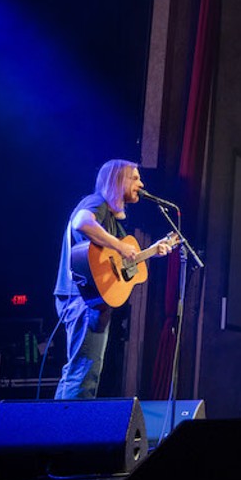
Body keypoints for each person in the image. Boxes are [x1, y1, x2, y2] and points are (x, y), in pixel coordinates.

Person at [52, 159, 172, 400]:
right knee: (82, 374)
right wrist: (119, 245)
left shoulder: (114, 223)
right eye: (135, 178)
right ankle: (64, 435)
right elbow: (81, 222)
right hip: (83, 299)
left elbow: (120, 266)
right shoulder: (97, 202)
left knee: (85, 373)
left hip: (93, 300)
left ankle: (64, 431)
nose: (141, 183)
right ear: (119, 180)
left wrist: (151, 252)